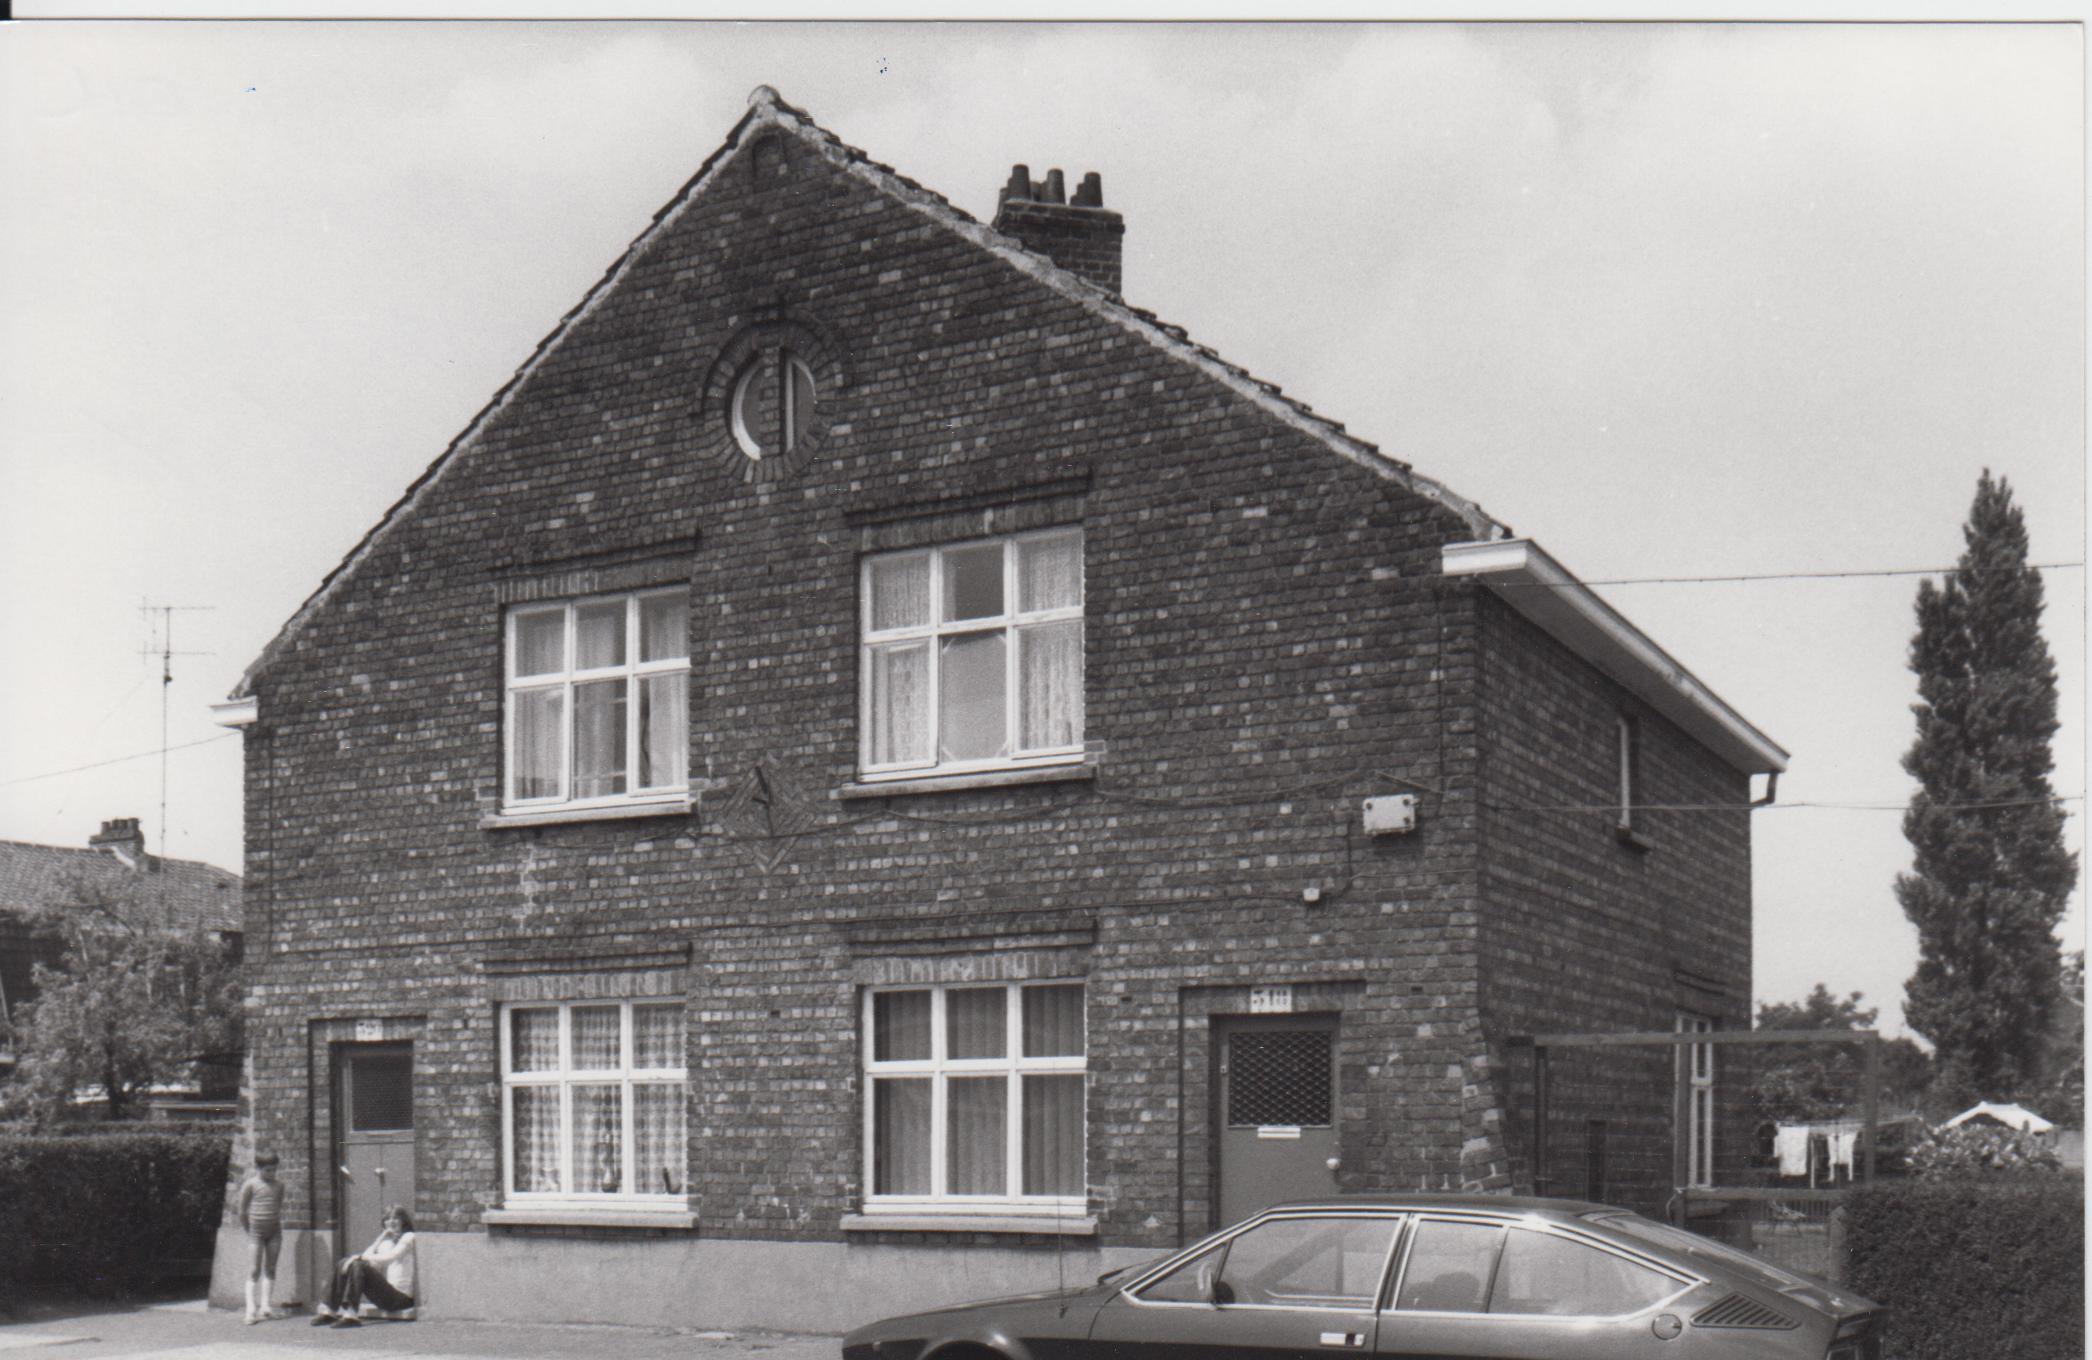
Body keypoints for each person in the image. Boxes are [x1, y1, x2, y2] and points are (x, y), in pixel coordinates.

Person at [311, 1205, 417, 1328]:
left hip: (402, 1299)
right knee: (344, 1262)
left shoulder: (409, 1237)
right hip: (386, 1296)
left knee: (358, 1263)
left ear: (403, 1221)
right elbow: (368, 1257)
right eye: (387, 1219)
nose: (391, 1222)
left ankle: (351, 1315)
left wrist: (359, 1258)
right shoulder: (386, 1244)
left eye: (395, 1218)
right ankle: (329, 1312)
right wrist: (381, 1236)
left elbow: (391, 1257)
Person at [234, 1150, 285, 1324]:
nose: (272, 1173)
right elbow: (242, 1211)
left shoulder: (279, 1185)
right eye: (268, 1170)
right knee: (254, 1270)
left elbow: (277, 1206)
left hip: (274, 1232)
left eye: (274, 1170)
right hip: (256, 1232)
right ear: (258, 1168)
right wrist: (249, 1230)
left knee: (270, 1268)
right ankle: (250, 1310)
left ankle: (265, 1306)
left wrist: (273, 1224)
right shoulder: (250, 1185)